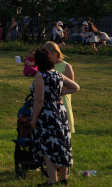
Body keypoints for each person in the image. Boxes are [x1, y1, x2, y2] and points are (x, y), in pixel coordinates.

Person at [29, 48, 79, 184]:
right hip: (61, 111)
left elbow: (39, 99)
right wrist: (58, 95)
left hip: (47, 113)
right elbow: (75, 87)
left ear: (38, 62)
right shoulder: (57, 74)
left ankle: (52, 180)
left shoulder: (40, 76)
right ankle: (64, 179)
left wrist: (34, 120)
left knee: (48, 146)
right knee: (62, 145)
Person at [44, 41, 75, 135]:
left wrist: (58, 92)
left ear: (56, 52)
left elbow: (71, 85)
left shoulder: (66, 66)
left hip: (62, 98)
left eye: (49, 53)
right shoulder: (46, 65)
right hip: (48, 99)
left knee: (63, 127)